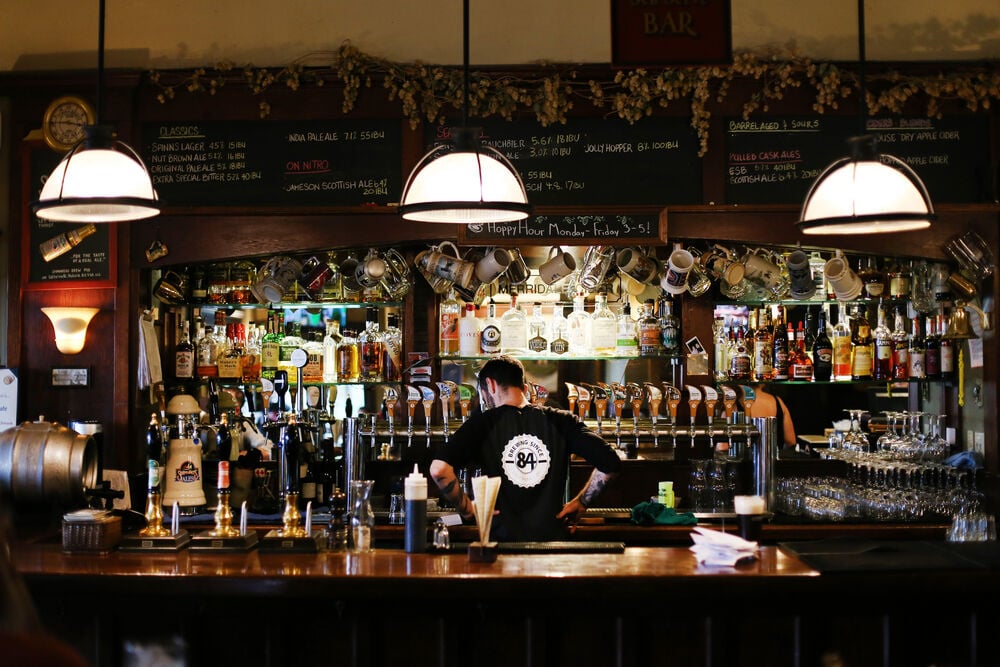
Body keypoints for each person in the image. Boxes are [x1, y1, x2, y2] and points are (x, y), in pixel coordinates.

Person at [430, 356, 622, 541]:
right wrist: (581, 502)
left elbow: (439, 469)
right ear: (523, 386)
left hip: (501, 545)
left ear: (491, 385)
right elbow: (610, 462)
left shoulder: (482, 424)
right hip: (551, 545)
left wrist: (468, 509)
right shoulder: (561, 420)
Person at [742, 384, 798, 450]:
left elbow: (726, 446)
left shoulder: (732, 403)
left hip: (743, 459)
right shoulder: (778, 401)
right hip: (774, 458)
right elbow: (791, 441)